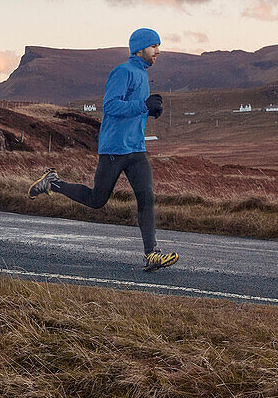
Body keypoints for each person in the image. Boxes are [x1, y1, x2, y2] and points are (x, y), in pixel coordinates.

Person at [28, 28, 178, 271]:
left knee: (146, 198)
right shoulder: (123, 72)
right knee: (97, 199)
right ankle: (52, 182)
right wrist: (143, 105)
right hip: (114, 150)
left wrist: (151, 109)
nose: (158, 51)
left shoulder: (141, 76)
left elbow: (134, 111)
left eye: (158, 46)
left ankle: (152, 254)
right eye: (154, 46)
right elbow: (110, 107)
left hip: (136, 149)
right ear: (140, 48)